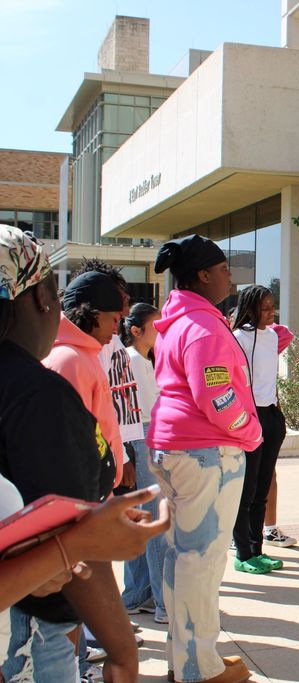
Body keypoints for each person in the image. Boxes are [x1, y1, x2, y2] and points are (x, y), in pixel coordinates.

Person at [0, 224, 169, 681]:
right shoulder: (39, 390)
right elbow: (68, 523)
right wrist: (119, 647)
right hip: (37, 620)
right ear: (40, 300)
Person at [149, 234, 261, 683]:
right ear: (202, 274)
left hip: (179, 447)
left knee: (184, 558)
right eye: (223, 268)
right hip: (205, 452)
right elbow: (220, 397)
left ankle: (187, 662)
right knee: (203, 562)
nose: (230, 276)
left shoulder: (180, 322)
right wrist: (252, 432)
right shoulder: (203, 327)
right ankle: (199, 669)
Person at [43, 270, 127, 491]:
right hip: (82, 497)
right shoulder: (70, 360)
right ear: (96, 315)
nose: (116, 329)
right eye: (115, 319)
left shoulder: (79, 355)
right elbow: (72, 443)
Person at [230, 285, 292, 574]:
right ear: (251, 308)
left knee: (262, 488)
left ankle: (257, 548)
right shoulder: (238, 338)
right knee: (247, 488)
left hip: (271, 416)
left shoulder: (272, 337)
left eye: (272, 307)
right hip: (248, 417)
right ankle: (243, 552)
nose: (271, 312)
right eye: (265, 308)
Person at [117, 303, 169, 624]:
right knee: (153, 524)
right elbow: (126, 410)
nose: (160, 330)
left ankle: (138, 596)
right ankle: (164, 602)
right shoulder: (131, 359)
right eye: (155, 325)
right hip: (141, 436)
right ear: (136, 330)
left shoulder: (144, 360)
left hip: (147, 436)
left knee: (141, 521)